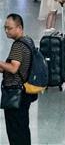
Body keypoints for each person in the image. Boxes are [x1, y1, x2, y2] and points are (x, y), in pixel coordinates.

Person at [0, 14, 35, 145]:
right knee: (22, 128)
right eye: (5, 28)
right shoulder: (28, 41)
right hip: (24, 91)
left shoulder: (18, 46)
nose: (6, 31)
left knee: (15, 131)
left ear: (19, 27)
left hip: (15, 94)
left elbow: (14, 68)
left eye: (9, 28)